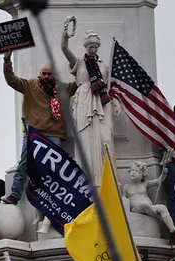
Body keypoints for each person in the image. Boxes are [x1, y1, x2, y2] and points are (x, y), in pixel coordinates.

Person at [1, 49, 78, 205]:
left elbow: (80, 84)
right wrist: (7, 61)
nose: (46, 77)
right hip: (33, 134)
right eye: (43, 74)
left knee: (55, 168)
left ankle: (56, 198)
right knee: (23, 164)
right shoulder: (30, 85)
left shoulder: (63, 88)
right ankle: (14, 195)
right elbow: (12, 80)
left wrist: (86, 66)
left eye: (49, 74)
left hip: (54, 135)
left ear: (54, 75)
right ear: (39, 74)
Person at [61, 28, 119, 185]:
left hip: (101, 102)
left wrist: (114, 101)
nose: (93, 50)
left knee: (104, 139)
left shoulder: (103, 66)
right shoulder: (79, 63)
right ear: (85, 47)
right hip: (84, 103)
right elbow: (64, 49)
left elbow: (107, 86)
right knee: (85, 140)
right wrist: (65, 36)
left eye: (95, 47)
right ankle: (86, 180)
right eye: (90, 47)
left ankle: (104, 179)